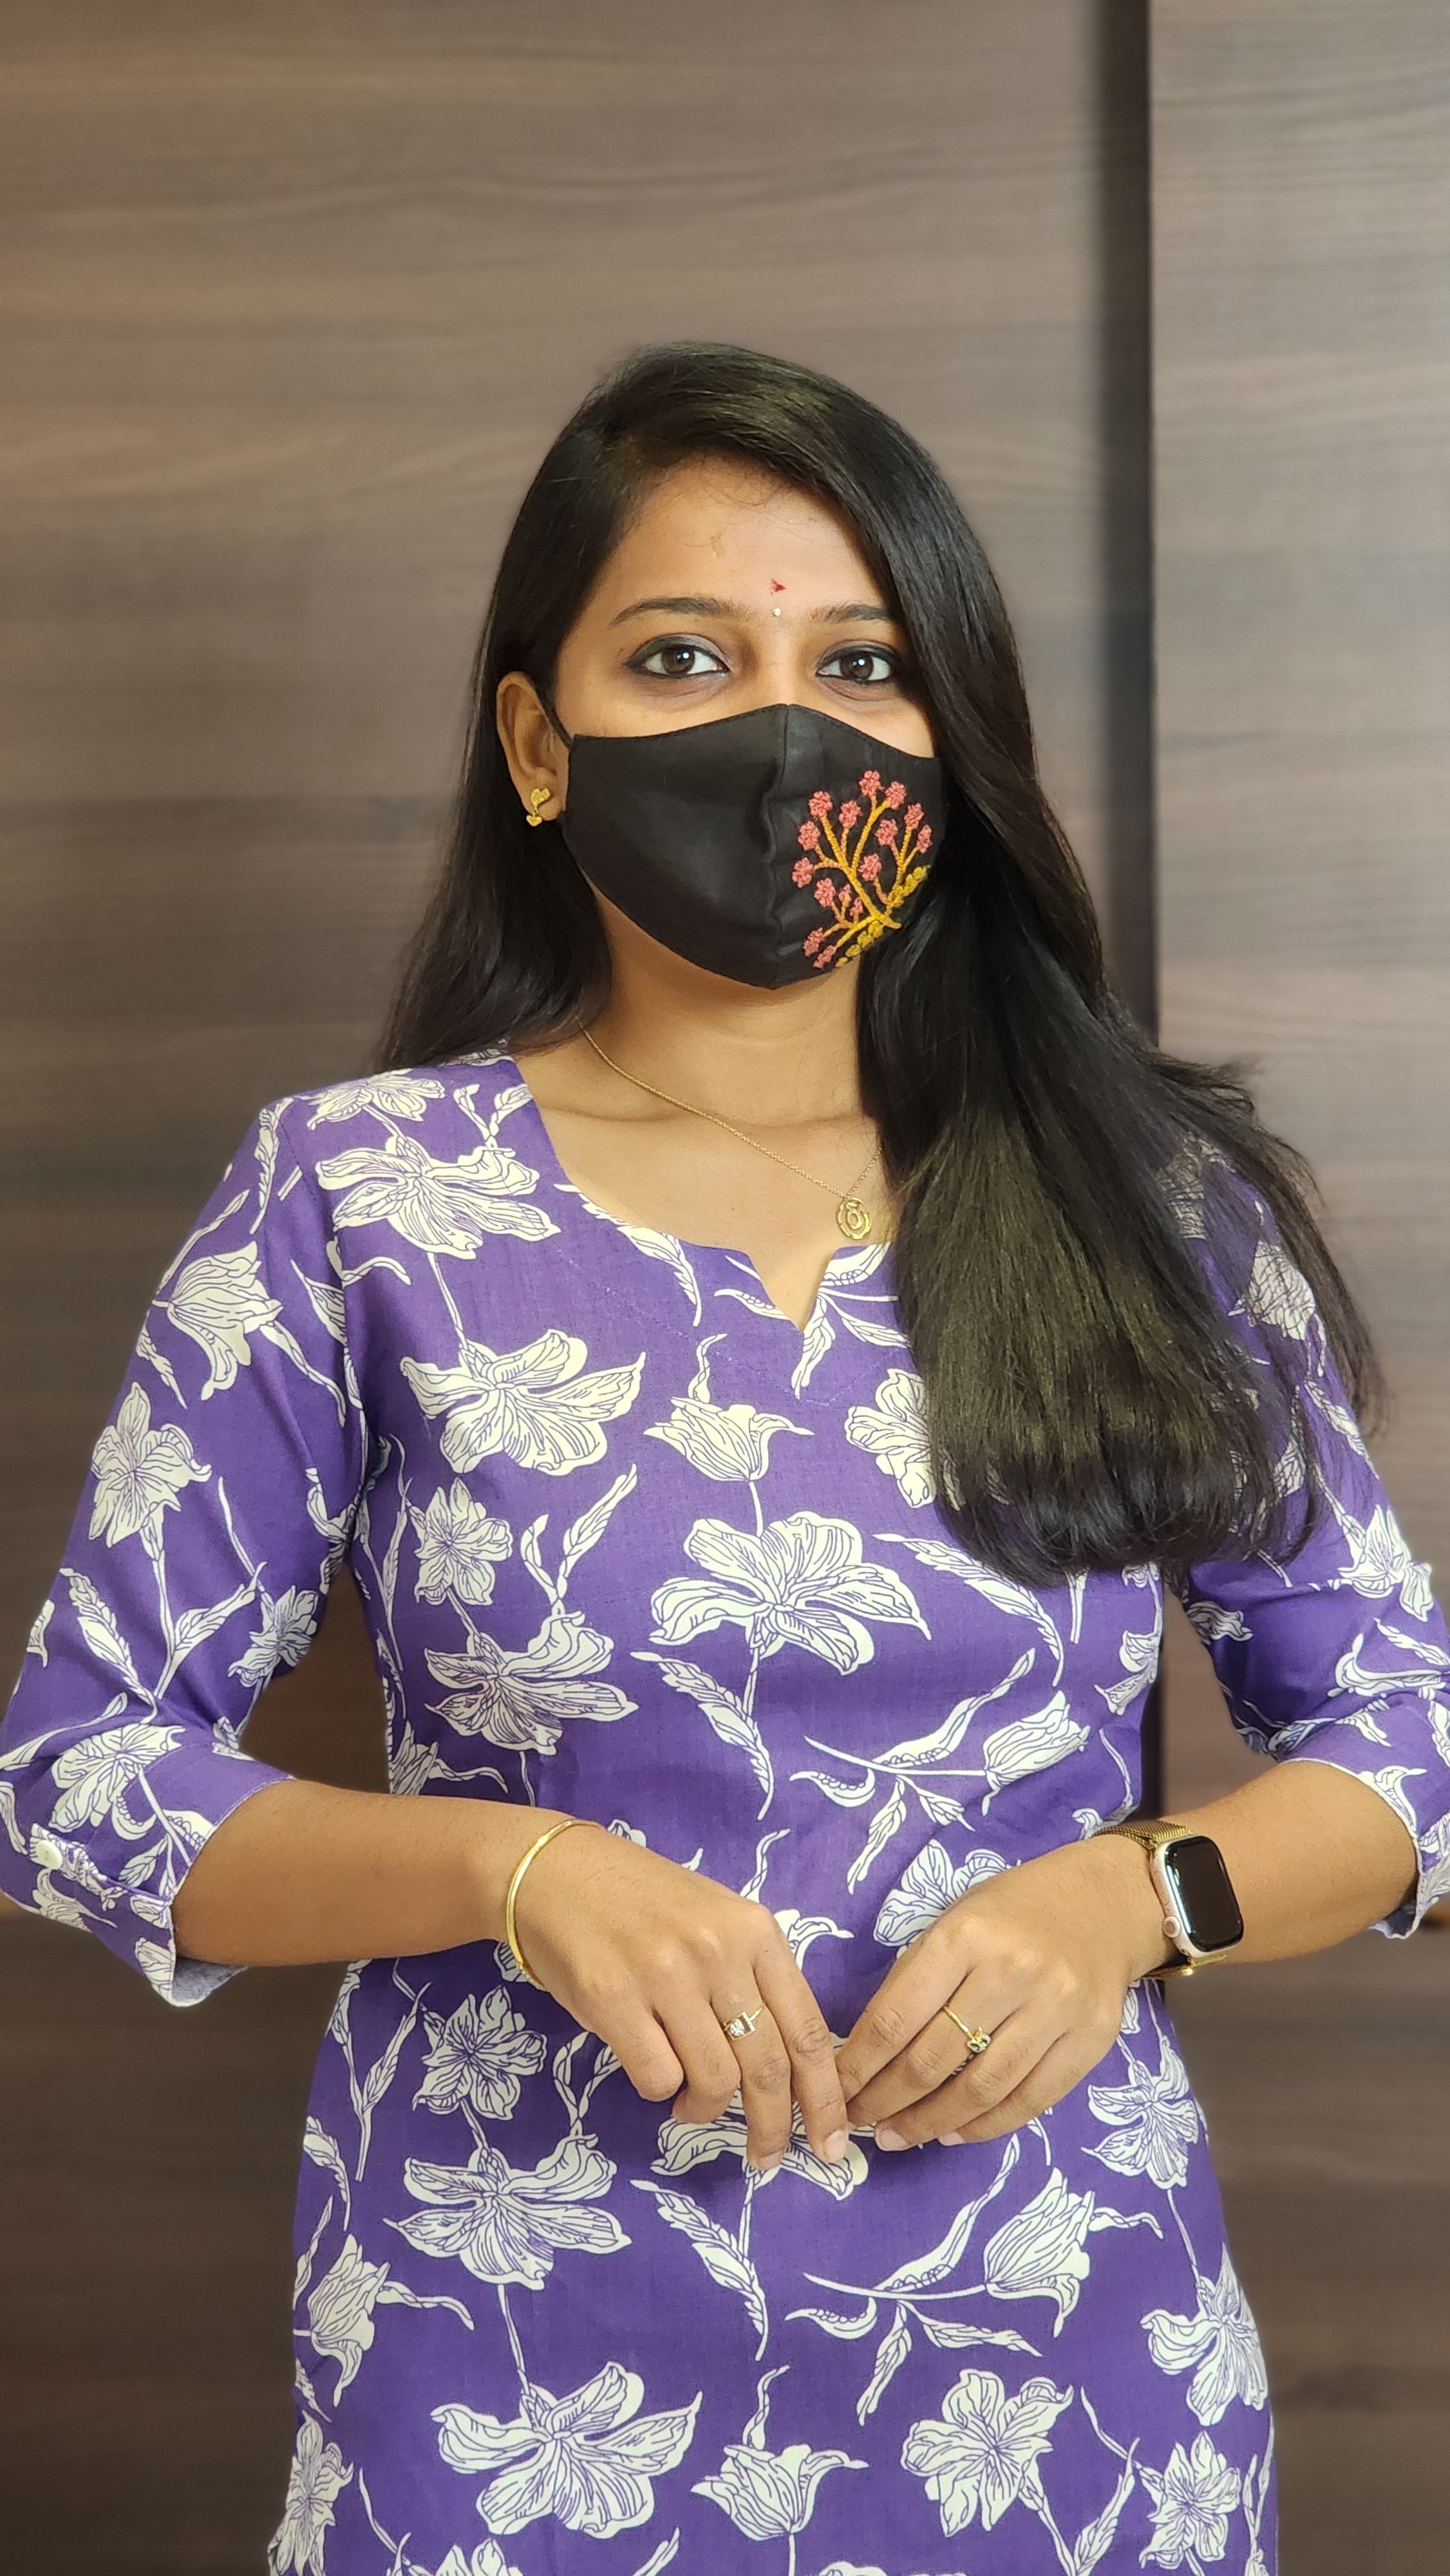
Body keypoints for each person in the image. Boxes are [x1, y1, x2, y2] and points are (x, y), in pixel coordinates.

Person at [3, 343, 1447, 2576]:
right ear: (536, 741)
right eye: (682, 657)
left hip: (1065, 2386)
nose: (785, 736)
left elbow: (1404, 1744)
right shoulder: (354, 1200)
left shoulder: (1146, 1208)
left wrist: (1131, 1898)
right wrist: (512, 1873)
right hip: (499, 2377)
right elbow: (77, 1773)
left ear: (945, 741)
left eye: (859, 666)